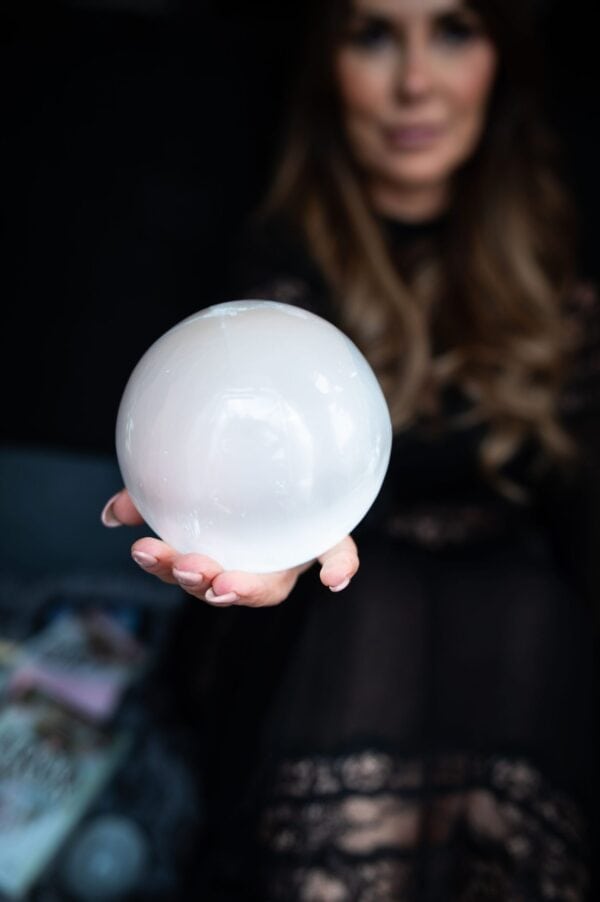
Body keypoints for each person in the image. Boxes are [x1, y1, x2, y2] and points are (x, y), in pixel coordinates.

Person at [101, 0, 600, 898]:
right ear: (326, 67)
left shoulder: (558, 257)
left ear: (502, 58)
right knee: (372, 607)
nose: (415, 82)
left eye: (452, 30)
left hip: (512, 616)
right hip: (317, 624)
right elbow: (260, 474)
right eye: (373, 35)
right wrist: (267, 544)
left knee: (527, 607)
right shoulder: (277, 272)